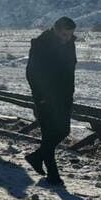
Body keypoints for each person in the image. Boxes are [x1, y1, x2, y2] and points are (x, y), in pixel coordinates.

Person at [25, 16, 77, 186]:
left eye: (69, 35)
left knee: (63, 131)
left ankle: (36, 157)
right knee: (48, 135)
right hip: (46, 98)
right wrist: (41, 97)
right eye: (64, 35)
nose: (67, 38)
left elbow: (69, 72)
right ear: (55, 30)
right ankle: (53, 175)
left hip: (64, 98)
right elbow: (32, 73)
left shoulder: (70, 45)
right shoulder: (40, 44)